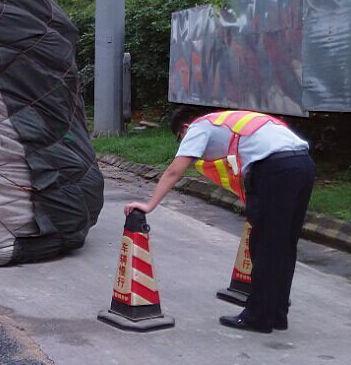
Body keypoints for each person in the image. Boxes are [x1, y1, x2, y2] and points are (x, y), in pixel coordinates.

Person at [124, 107, 315, 334]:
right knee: (284, 244)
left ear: (184, 128)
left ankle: (259, 316)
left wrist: (149, 205)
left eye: (180, 139)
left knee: (263, 244)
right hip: (304, 166)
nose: (183, 144)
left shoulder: (198, 127)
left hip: (275, 169)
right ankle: (277, 314)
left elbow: (175, 170)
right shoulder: (231, 120)